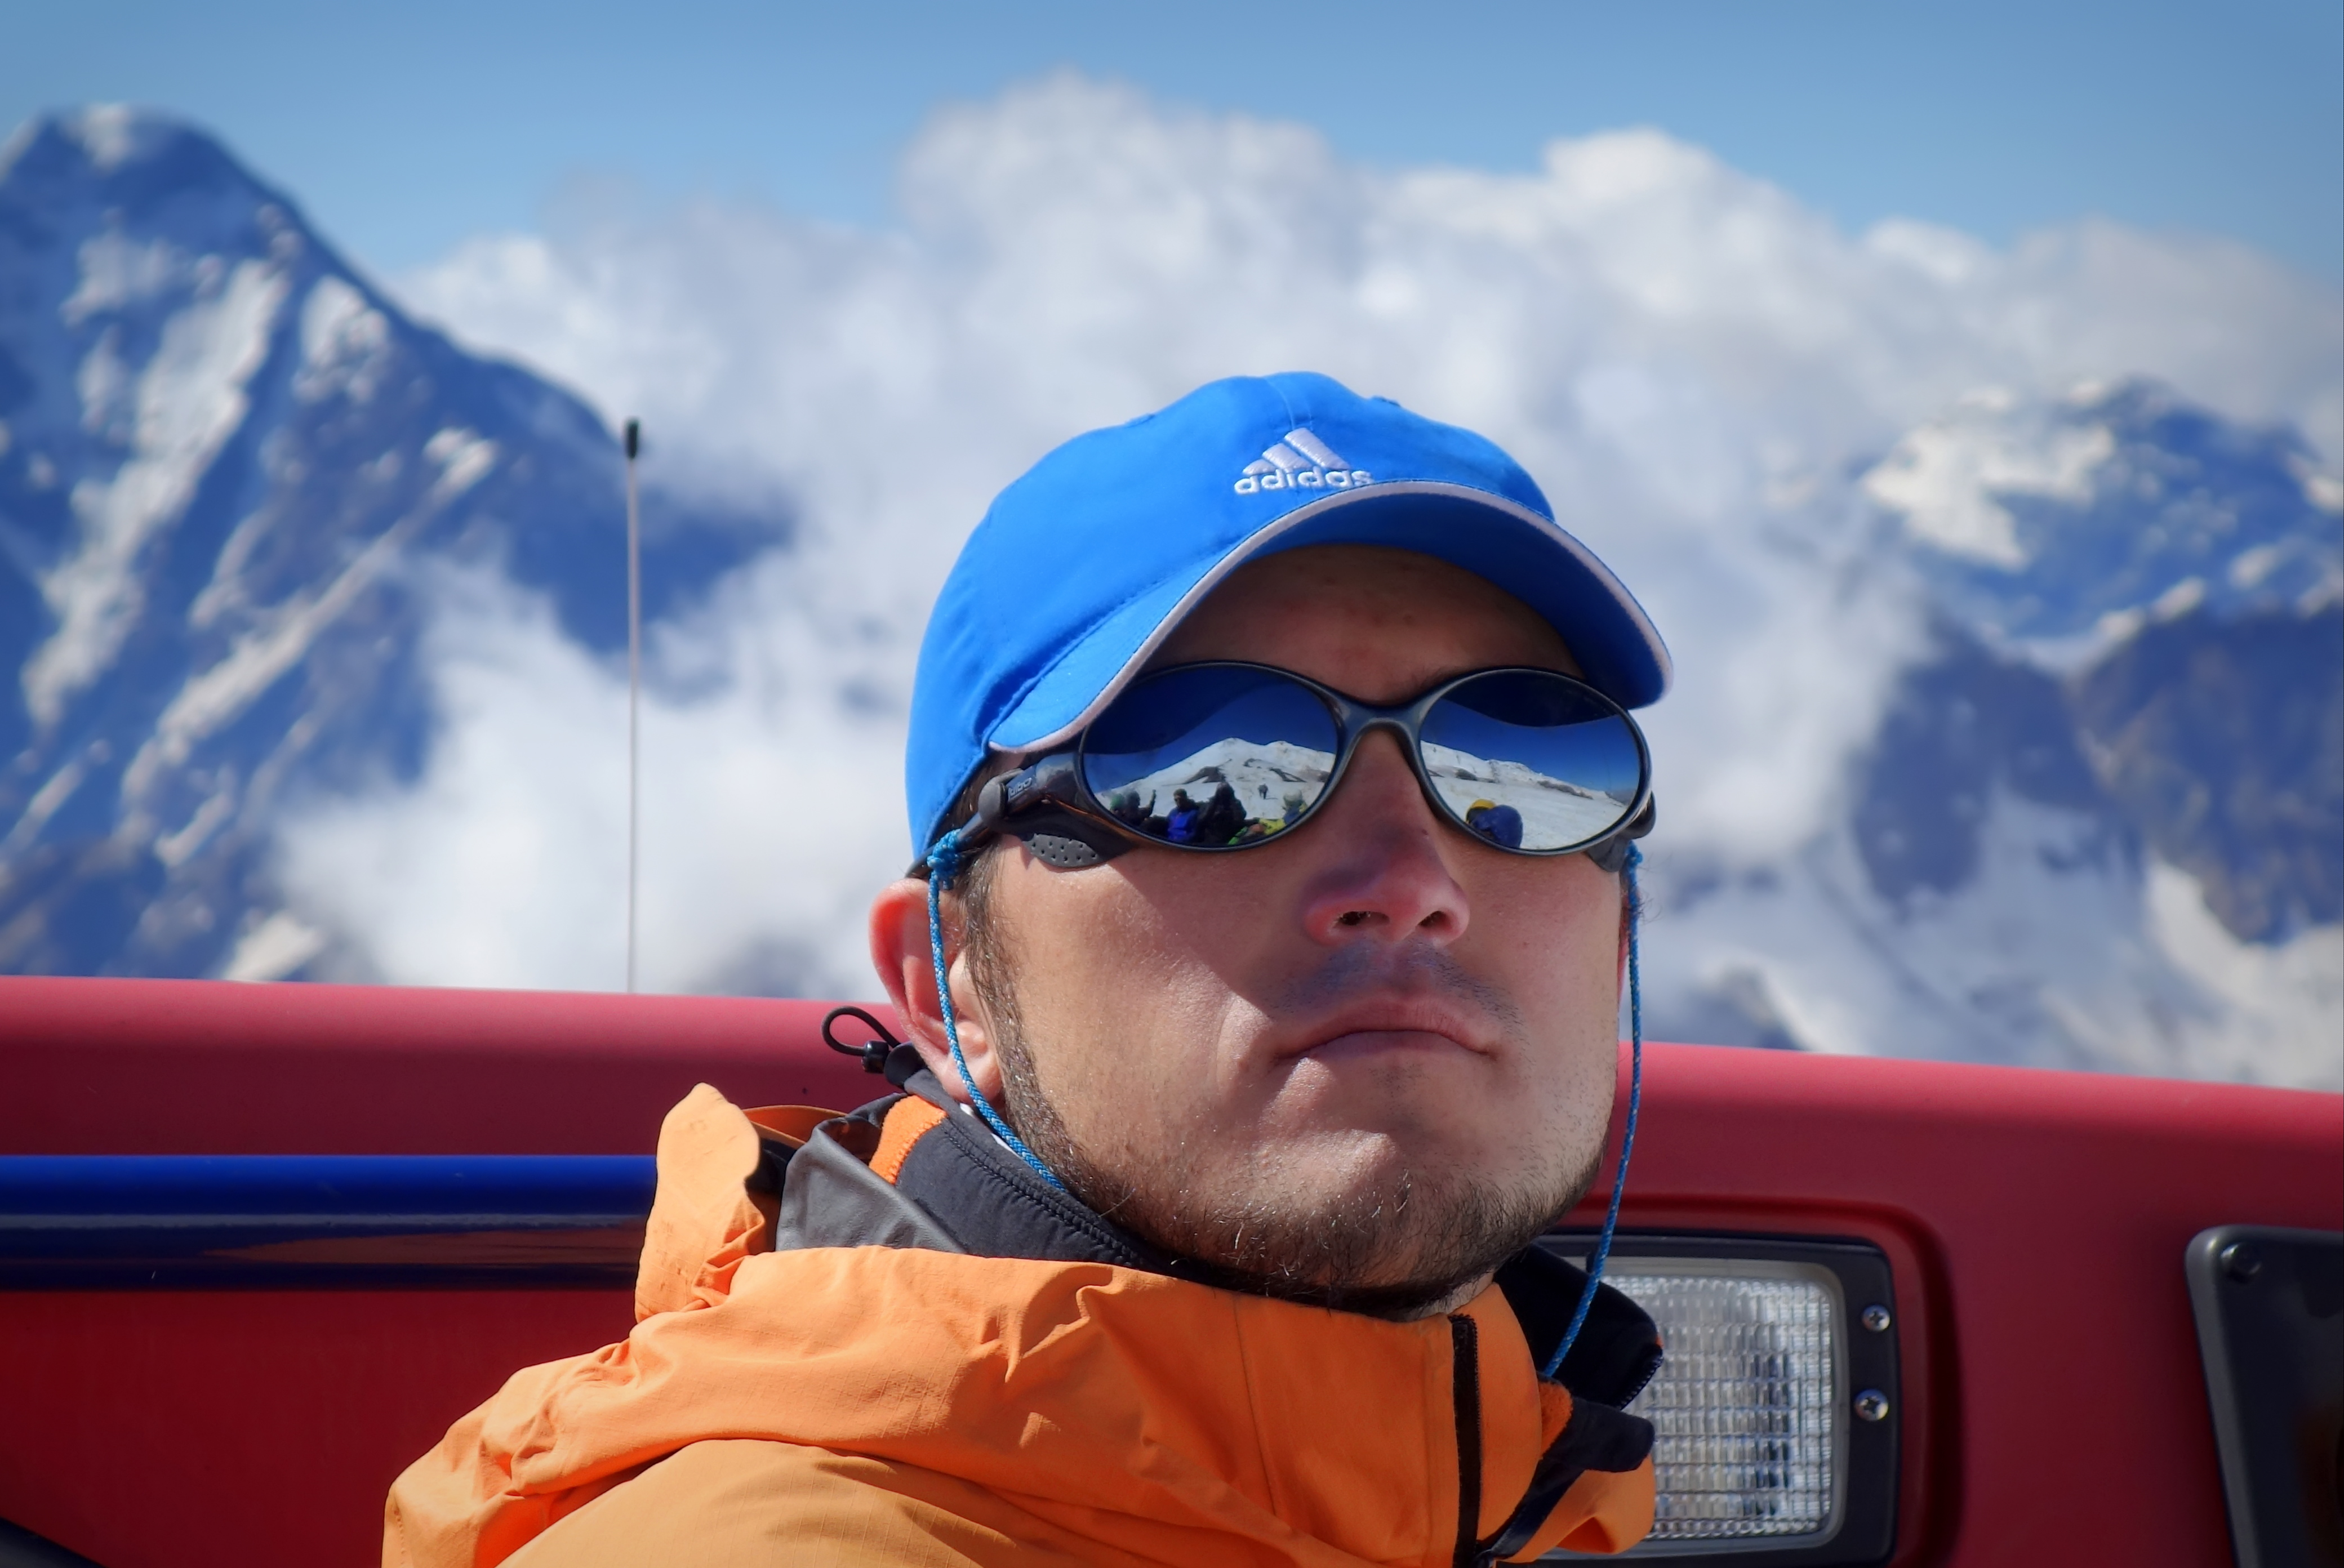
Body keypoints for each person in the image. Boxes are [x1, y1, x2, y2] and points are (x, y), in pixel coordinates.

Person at [386, 372, 1669, 1567]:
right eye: (1205, 777)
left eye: (1524, 766)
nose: (1412, 879)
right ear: (951, 982)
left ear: (1617, 923)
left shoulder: (1531, 1501)